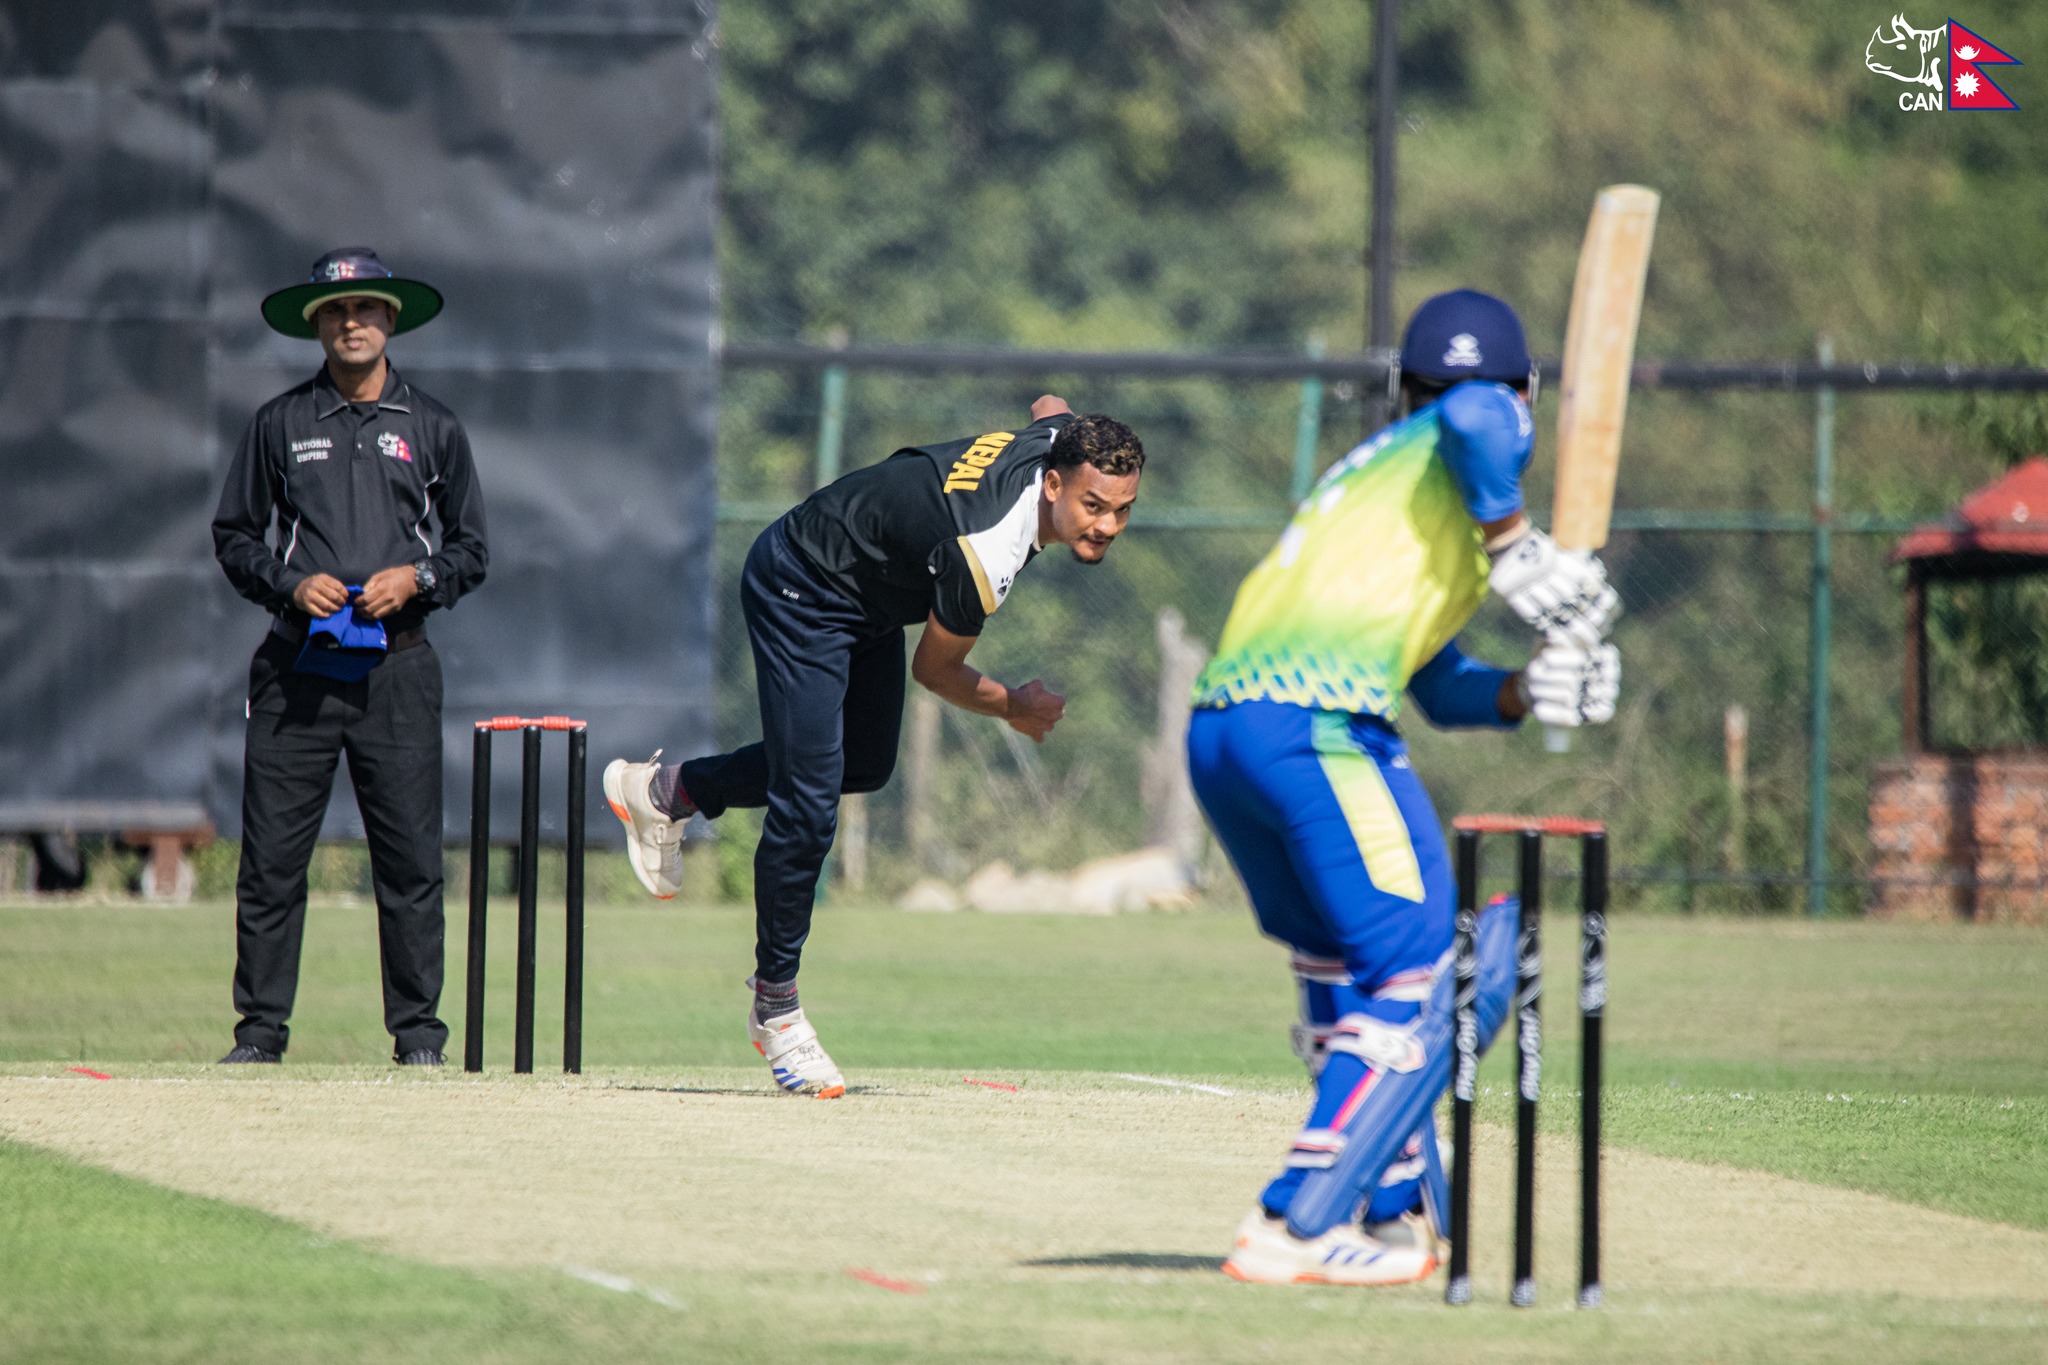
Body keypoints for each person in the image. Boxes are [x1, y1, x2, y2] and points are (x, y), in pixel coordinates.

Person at [1186, 289, 1622, 1284]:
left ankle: (1387, 1214)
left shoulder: (1383, 480)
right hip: (1314, 729)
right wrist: (1516, 541)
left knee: (1347, 975)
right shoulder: (1478, 424)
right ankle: (1295, 1219)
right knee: (1426, 969)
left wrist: (1523, 689)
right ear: (1527, 390)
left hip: (1223, 735)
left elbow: (1433, 679)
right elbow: (1474, 412)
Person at [606, 399, 1144, 1097]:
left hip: (868, 594)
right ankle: (776, 1008)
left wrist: (1063, 421)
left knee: (862, 764)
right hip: (802, 584)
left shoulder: (1056, 438)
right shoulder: (985, 551)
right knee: (808, 807)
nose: (1108, 526)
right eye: (1094, 506)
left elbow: (1050, 407)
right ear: (1052, 483)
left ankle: (668, 793)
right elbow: (936, 671)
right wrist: (1014, 705)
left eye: (1123, 509)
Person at [211, 247, 489, 1067]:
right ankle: (259, 1034)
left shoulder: (432, 426)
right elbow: (234, 535)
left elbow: (471, 549)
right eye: (335, 310)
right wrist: (291, 584)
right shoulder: (280, 422)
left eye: (365, 308)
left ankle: (419, 1037)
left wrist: (417, 578)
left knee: (409, 861)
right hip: (295, 667)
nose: (351, 322)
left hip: (398, 669)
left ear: (390, 318)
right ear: (316, 325)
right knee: (271, 862)